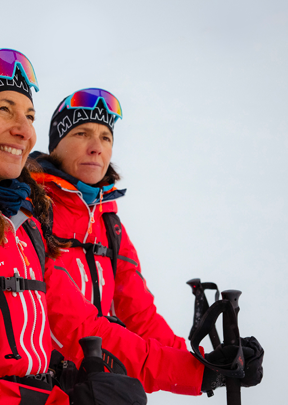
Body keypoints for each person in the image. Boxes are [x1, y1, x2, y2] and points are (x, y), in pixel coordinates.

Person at [0, 50, 262, 404]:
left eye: (28, 114)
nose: (23, 129)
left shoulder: (22, 226)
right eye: (3, 109)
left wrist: (200, 371)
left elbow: (76, 323)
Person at [30, 88, 187, 353]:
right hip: (39, 384)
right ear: (55, 146)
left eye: (106, 137)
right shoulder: (31, 209)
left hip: (95, 377)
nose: (96, 148)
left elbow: (139, 315)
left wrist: (196, 362)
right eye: (82, 134)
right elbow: (64, 318)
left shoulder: (109, 224)